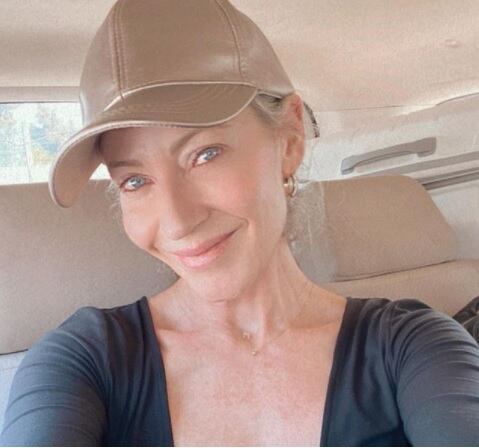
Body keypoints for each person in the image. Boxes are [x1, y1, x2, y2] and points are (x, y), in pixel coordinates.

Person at [1, 0, 479, 446]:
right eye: (135, 181)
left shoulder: (414, 346)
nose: (178, 221)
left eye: (204, 154)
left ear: (290, 139)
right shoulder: (81, 361)